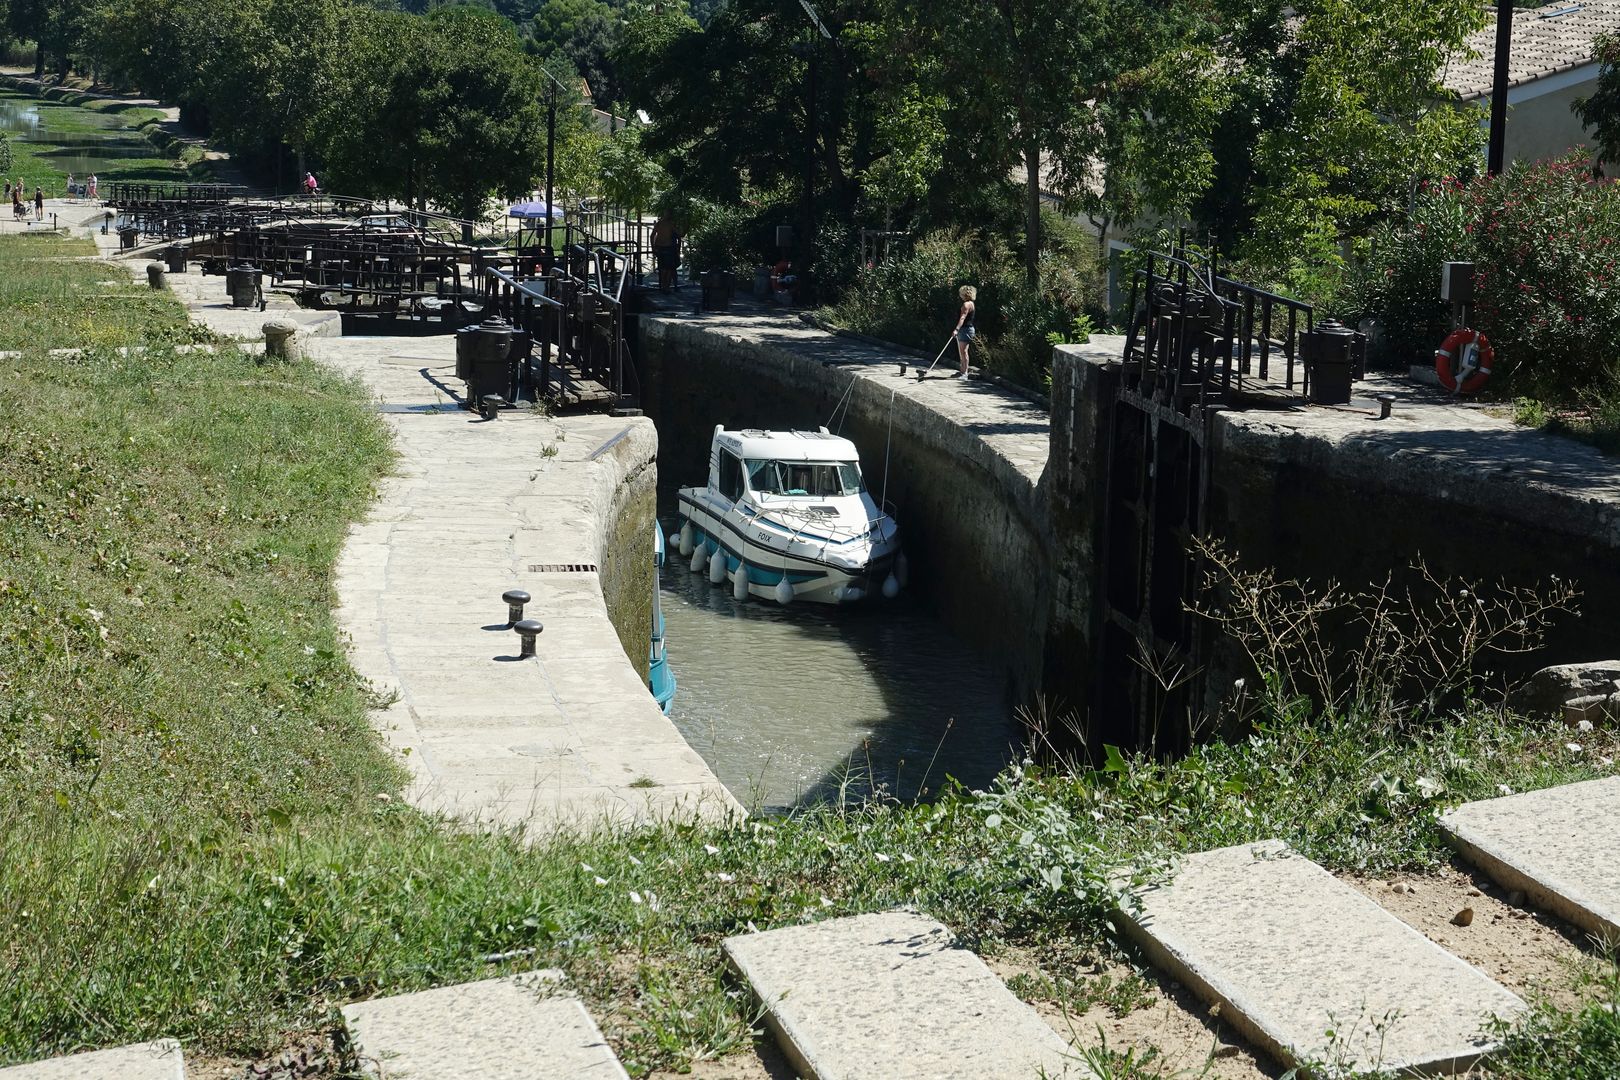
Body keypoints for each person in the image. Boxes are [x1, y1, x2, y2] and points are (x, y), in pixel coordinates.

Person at [951, 284, 977, 377]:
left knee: (963, 351)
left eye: (961, 293)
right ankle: (962, 370)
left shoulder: (966, 304)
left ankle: (964, 372)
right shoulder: (971, 303)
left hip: (965, 329)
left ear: (965, 294)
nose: (960, 295)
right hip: (966, 329)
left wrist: (956, 329)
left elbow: (962, 318)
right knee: (962, 351)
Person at [650, 215, 677, 290]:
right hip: (667, 248)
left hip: (659, 247)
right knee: (668, 269)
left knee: (663, 269)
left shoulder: (659, 224)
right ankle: (666, 287)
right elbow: (679, 234)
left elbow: (652, 235)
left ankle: (663, 286)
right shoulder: (670, 224)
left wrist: (653, 247)